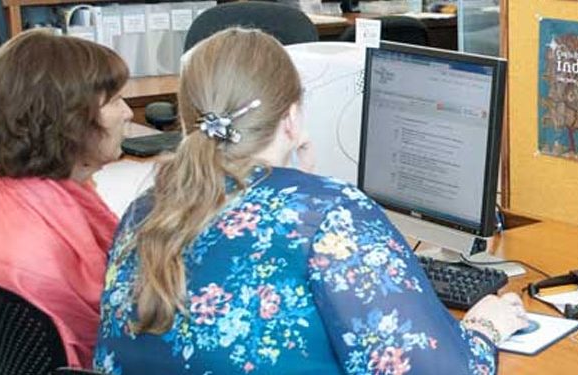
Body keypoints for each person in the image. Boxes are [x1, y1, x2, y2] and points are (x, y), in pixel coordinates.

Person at [94, 28, 528, 374]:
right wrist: (484, 328)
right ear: (293, 117)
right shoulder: (328, 215)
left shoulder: (145, 213)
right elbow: (434, 369)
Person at [0, 29, 133, 368]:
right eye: (114, 100)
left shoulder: (10, 188)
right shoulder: (40, 256)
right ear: (69, 119)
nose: (127, 113)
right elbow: (117, 334)